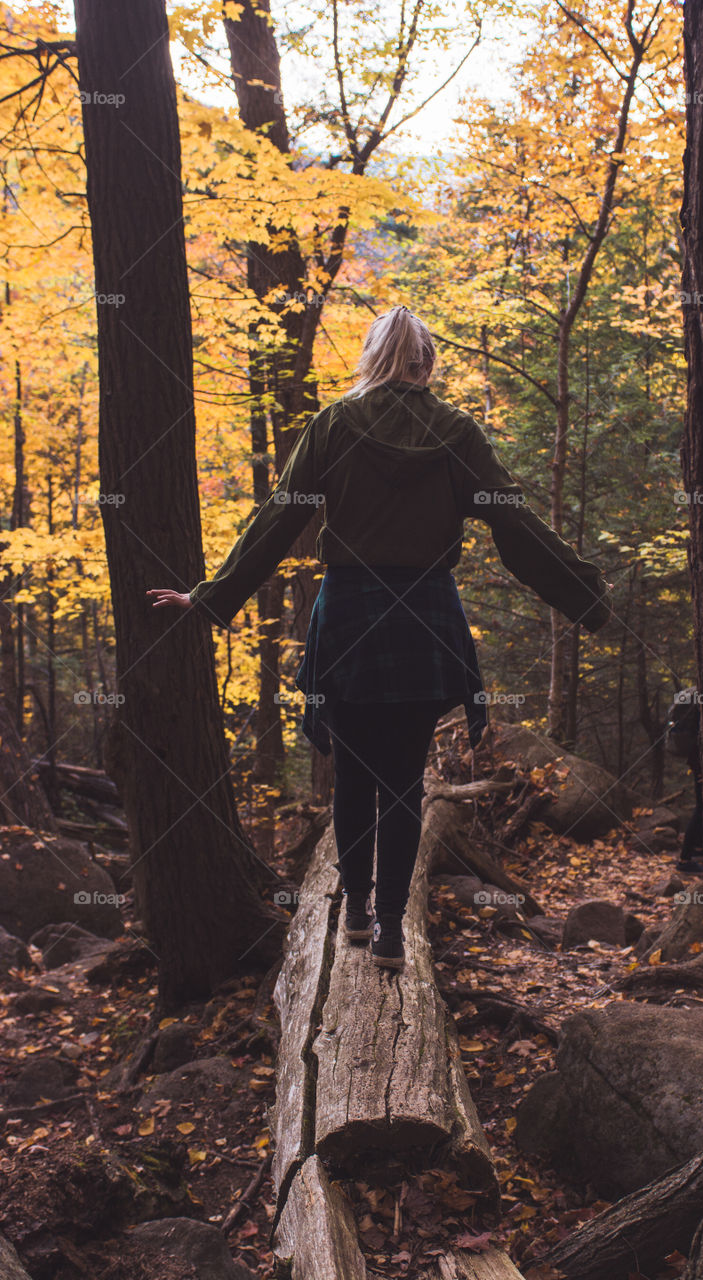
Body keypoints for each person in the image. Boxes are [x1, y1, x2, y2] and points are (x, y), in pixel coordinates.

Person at [148, 305, 613, 968]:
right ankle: (392, 928)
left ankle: (359, 915)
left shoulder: (334, 425)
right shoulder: (455, 430)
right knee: (402, 783)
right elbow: (514, 521)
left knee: (353, 779)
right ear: (426, 361)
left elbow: (280, 518)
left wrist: (212, 594)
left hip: (349, 617)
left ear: (371, 357)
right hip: (425, 618)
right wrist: (584, 595)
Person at [664, 686, 703, 876]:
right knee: (701, 807)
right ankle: (685, 860)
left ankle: (698, 848)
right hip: (700, 760)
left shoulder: (697, 695)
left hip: (696, 758)